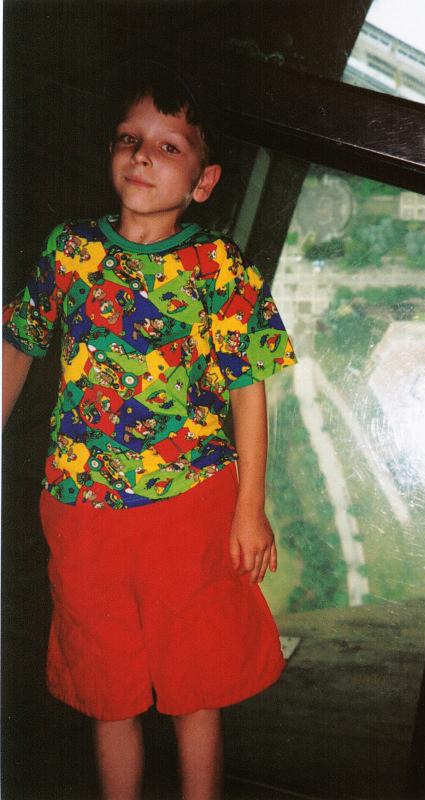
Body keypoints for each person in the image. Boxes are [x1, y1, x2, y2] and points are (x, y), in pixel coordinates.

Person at [2, 61, 296, 800]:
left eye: (170, 146)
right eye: (131, 139)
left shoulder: (216, 265)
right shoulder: (69, 250)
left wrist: (248, 505)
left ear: (203, 181)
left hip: (188, 504)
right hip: (79, 507)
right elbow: (17, 347)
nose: (142, 155)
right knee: (110, 693)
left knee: (194, 690)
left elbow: (246, 387)